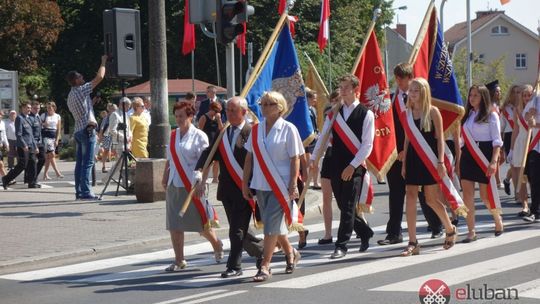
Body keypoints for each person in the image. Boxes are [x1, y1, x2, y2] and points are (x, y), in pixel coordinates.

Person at [195, 96, 264, 278]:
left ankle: (234, 266)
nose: (229, 114)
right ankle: (264, 253)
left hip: (245, 189)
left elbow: (257, 162)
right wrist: (200, 170)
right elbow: (210, 153)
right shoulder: (223, 132)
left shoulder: (252, 132)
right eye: (228, 111)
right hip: (227, 189)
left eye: (233, 110)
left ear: (244, 112)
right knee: (239, 229)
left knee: (236, 230)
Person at [310, 74, 375, 258]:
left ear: (355, 89)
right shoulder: (334, 112)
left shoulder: (366, 113)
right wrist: (314, 158)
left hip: (354, 167)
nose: (342, 90)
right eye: (341, 87)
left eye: (346, 87)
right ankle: (364, 232)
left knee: (347, 206)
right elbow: (323, 136)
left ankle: (341, 245)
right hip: (336, 164)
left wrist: (353, 165)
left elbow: (367, 145)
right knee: (341, 204)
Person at [242, 91, 303, 282]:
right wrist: (245, 183)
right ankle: (291, 252)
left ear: (280, 107)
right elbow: (249, 158)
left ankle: (265, 265)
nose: (265, 107)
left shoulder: (288, 128)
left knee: (270, 226)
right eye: (263, 104)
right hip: (261, 183)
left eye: (270, 104)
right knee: (275, 226)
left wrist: (293, 183)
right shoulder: (256, 130)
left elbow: (295, 158)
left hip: (281, 184)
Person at [379, 63, 442, 245]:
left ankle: (435, 225)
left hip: (416, 152)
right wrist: (393, 150)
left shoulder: (421, 102)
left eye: (402, 78)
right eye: (396, 77)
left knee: (424, 194)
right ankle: (394, 233)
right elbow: (387, 128)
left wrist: (405, 151)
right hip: (394, 154)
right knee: (396, 193)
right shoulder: (390, 100)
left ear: (410, 78)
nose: (398, 81)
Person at [161, 102, 223, 271]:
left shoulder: (199, 136)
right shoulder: (173, 135)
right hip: (175, 183)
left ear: (191, 116)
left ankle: (217, 244)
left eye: (182, 116)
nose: (179, 119)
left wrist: (202, 182)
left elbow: (207, 161)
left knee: (201, 226)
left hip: (192, 185)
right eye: (177, 116)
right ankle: (179, 260)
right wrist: (165, 176)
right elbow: (170, 159)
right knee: (174, 225)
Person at [400, 78, 457, 256]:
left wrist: (441, 162)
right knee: (410, 195)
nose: (413, 93)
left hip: (430, 159)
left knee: (431, 199)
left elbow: (440, 139)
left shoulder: (433, 112)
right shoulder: (407, 112)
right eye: (411, 90)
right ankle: (412, 241)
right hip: (413, 158)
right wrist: (403, 162)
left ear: (424, 92)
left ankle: (449, 228)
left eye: (416, 90)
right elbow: (408, 138)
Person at [459, 84, 504, 242]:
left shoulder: (492, 116)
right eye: (471, 95)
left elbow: (497, 141)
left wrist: (493, 161)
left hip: (484, 155)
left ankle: (497, 219)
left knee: (485, 195)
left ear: (483, 97)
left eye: (476, 95)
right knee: (467, 195)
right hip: (468, 156)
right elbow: (462, 140)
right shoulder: (467, 114)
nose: (472, 98)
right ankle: (471, 231)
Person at [65, 55, 107, 200]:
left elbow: (82, 111)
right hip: (87, 130)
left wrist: (92, 102)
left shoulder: (71, 95)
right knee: (88, 163)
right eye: (80, 76)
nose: (83, 77)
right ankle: (86, 192)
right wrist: (103, 61)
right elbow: (99, 77)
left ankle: (79, 191)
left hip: (78, 130)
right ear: (76, 80)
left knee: (80, 163)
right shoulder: (81, 90)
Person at [311, 89, 340, 244]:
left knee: (346, 199)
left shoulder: (351, 113)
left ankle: (358, 222)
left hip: (345, 157)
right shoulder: (329, 113)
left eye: (338, 100)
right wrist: (314, 158)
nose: (336, 103)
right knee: (326, 197)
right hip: (330, 155)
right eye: (334, 100)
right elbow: (323, 137)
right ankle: (328, 233)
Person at [2, 103, 39, 189]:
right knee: (22, 165)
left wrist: (35, 146)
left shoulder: (29, 119)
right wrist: (23, 145)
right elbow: (18, 134)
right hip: (23, 147)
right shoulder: (19, 118)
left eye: (30, 108)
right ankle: (6, 179)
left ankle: (32, 182)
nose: (29, 109)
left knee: (33, 163)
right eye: (27, 108)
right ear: (22, 108)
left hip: (30, 145)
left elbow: (31, 135)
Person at [509, 84, 532, 215]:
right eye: (524, 95)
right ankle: (524, 204)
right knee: (522, 176)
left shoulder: (536, 109)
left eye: (529, 95)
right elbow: (515, 131)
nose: (526, 98)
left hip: (533, 143)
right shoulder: (517, 110)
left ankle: (535, 204)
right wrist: (511, 149)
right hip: (520, 143)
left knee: (534, 176)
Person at [500, 85, 520, 196]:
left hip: (522, 136)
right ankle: (518, 194)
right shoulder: (505, 108)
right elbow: (501, 127)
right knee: (514, 165)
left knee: (520, 166)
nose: (517, 94)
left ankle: (507, 180)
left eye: (519, 92)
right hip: (509, 137)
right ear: (511, 94)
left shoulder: (524, 106)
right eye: (515, 92)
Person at [523, 94, 540, 222]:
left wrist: (536, 124)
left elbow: (534, 124)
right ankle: (535, 211)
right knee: (535, 180)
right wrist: (529, 116)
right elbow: (525, 116)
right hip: (536, 147)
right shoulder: (536, 98)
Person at [198, 101, 224, 183]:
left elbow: (221, 129)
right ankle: (204, 178)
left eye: (218, 112)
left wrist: (219, 120)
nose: (216, 113)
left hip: (215, 141)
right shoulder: (204, 117)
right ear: (211, 109)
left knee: (216, 160)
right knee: (208, 161)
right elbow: (200, 130)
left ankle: (215, 178)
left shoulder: (217, 118)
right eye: (216, 111)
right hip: (207, 142)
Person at [40, 102, 63, 180]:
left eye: (50, 107)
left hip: (53, 135)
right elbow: (38, 124)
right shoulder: (44, 115)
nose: (48, 109)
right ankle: (57, 172)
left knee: (48, 157)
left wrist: (57, 139)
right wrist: (43, 124)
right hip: (46, 136)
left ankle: (45, 174)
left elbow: (59, 129)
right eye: (47, 107)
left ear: (54, 108)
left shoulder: (57, 116)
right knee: (52, 154)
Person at [305, 88, 320, 189]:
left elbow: (315, 123)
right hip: (306, 140)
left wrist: (317, 133)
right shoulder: (303, 111)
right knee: (308, 162)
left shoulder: (313, 109)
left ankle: (315, 181)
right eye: (313, 98)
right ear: (308, 98)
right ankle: (306, 182)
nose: (315, 101)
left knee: (316, 162)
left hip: (314, 139)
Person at [27, 101, 44, 184]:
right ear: (31, 109)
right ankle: (32, 179)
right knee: (32, 161)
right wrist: (35, 146)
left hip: (40, 141)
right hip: (33, 142)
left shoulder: (38, 117)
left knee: (42, 159)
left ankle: (34, 176)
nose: (37, 110)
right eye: (35, 108)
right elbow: (30, 133)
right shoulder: (29, 118)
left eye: (38, 108)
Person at [98, 103, 116, 173]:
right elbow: (102, 127)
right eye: (112, 109)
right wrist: (100, 136)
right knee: (106, 150)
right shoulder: (107, 117)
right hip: (107, 135)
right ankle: (103, 166)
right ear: (109, 109)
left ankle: (117, 166)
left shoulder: (117, 116)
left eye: (114, 109)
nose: (114, 110)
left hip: (115, 135)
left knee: (116, 150)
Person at [0, 110, 8, 179]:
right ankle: (6, 178)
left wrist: (6, 144)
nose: (0, 116)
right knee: (1, 163)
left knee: (1, 163)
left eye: (1, 115)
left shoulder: (2, 123)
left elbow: (4, 134)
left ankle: (6, 178)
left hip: (1, 146)